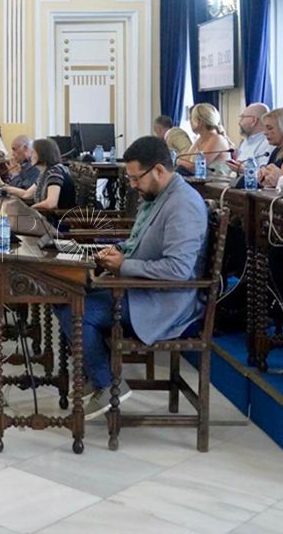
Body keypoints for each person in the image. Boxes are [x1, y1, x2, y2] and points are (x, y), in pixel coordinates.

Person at [53, 136, 208, 417]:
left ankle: (107, 382)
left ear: (159, 170)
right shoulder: (158, 196)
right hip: (139, 289)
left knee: (74, 309)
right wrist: (114, 252)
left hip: (165, 303)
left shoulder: (183, 205)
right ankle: (98, 374)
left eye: (137, 179)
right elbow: (140, 243)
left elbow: (178, 271)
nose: (133, 185)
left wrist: (124, 265)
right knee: (65, 291)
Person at [175, 103, 233, 177]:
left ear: (200, 122)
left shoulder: (217, 139)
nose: (190, 122)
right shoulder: (201, 138)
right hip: (199, 183)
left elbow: (196, 168)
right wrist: (180, 161)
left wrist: (177, 160)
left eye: (191, 118)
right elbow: (186, 159)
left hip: (215, 185)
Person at [29, 138, 76, 212]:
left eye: (33, 152)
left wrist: (31, 209)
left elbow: (51, 204)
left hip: (58, 220)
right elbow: (27, 194)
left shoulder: (54, 173)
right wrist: (6, 188)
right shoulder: (46, 172)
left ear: (42, 154)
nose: (30, 156)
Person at [230, 103, 272, 171]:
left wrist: (244, 170)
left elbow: (264, 174)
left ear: (254, 121)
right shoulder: (245, 142)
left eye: (243, 117)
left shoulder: (268, 143)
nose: (239, 122)